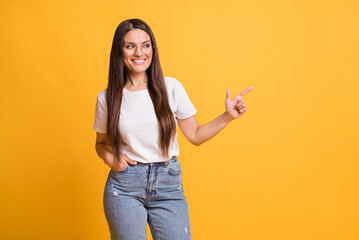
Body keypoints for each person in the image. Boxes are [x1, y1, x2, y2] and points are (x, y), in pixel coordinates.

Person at [93, 18, 253, 240]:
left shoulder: (172, 88)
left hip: (168, 184)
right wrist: (109, 158)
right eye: (130, 46)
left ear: (152, 49)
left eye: (145, 45)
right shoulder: (107, 98)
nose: (139, 52)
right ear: (120, 52)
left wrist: (227, 116)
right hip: (125, 187)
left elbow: (195, 136)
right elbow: (101, 144)